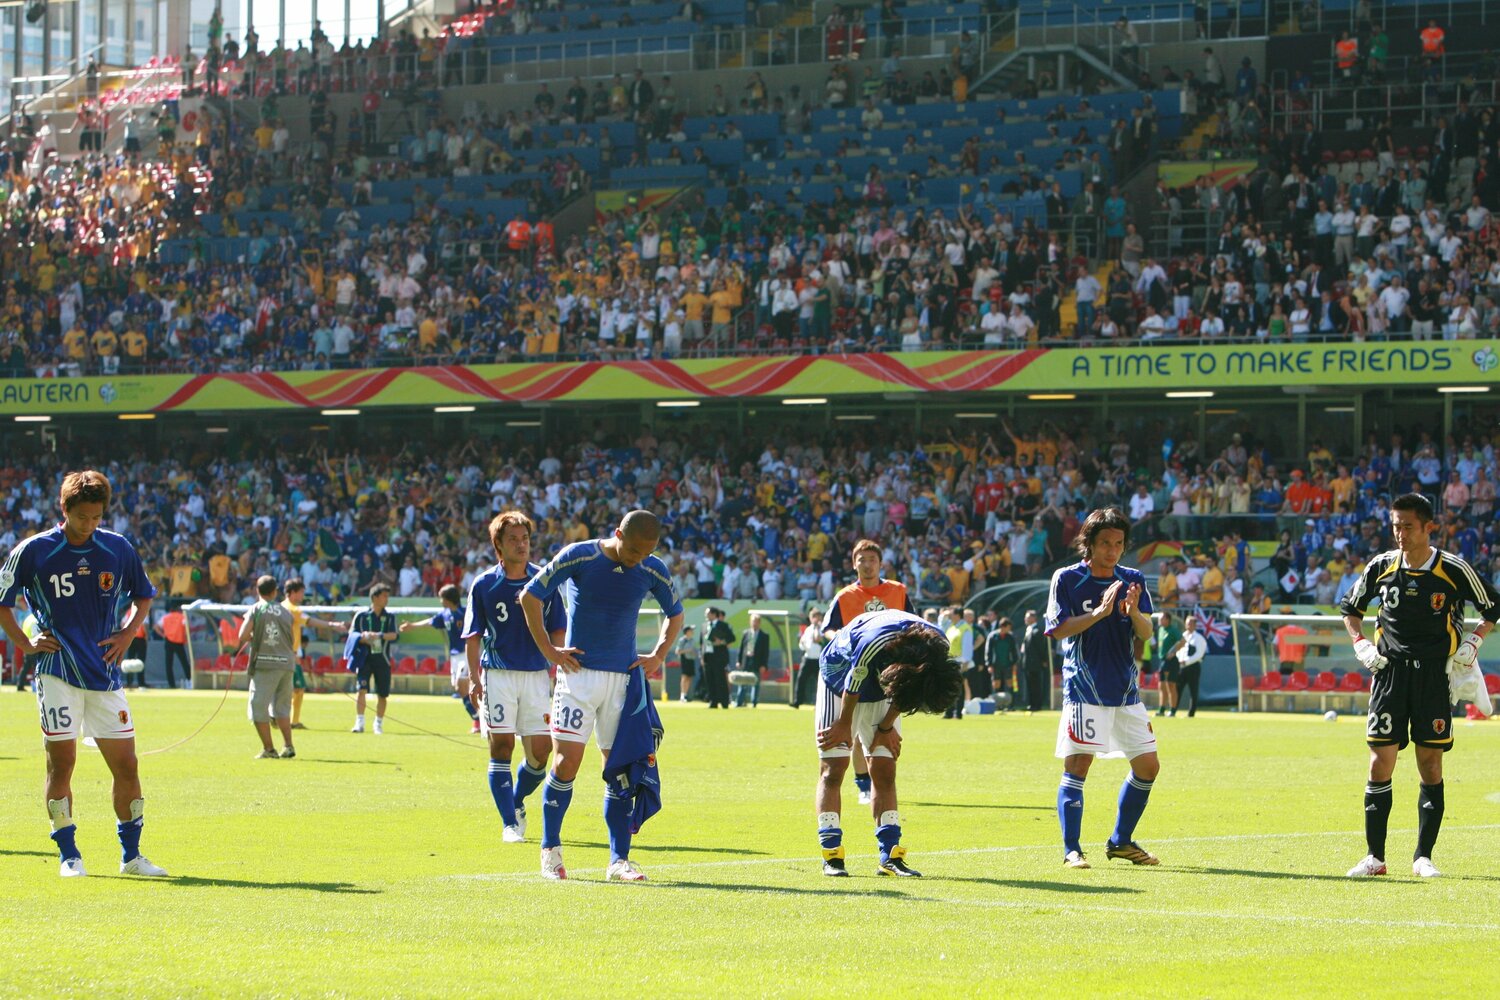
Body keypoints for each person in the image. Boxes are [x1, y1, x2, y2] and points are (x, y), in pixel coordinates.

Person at [0, 470, 167, 878]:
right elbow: (2, 600)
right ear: (65, 510)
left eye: (96, 517)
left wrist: (128, 633)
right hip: (57, 673)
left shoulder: (117, 548)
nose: (89, 525)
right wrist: (24, 644)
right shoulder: (34, 550)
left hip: (106, 675)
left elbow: (144, 595)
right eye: (82, 518)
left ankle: (132, 856)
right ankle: (69, 854)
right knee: (62, 765)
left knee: (126, 765)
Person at [1341, 493, 1499, 879]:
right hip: (1389, 674)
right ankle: (1374, 857)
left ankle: (1423, 856)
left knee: (1430, 762)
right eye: (1395, 525)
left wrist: (1473, 642)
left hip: (1433, 676)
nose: (1400, 533)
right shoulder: (1380, 566)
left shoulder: (1453, 568)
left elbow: (1492, 607)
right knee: (1380, 761)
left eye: (1407, 526)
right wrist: (1360, 643)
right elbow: (1351, 608)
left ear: (1430, 527)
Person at [520, 509, 684, 882]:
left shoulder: (652, 568)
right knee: (566, 766)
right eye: (633, 551)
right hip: (577, 678)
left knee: (622, 773)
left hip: (623, 683)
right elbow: (531, 596)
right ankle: (551, 851)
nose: (637, 559)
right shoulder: (580, 555)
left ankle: (618, 861)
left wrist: (659, 654)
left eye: (645, 553)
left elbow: (675, 613)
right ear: (617, 534)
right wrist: (550, 651)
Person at [1045, 506, 1161, 869]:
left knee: (1148, 766)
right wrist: (1098, 613)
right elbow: (1058, 629)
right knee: (1078, 766)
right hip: (1085, 689)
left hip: (1126, 691)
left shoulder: (1132, 578)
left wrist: (1134, 612)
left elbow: (1146, 633)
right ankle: (1071, 850)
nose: (1112, 551)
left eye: (1118, 543)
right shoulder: (1066, 578)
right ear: (1089, 545)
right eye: (1105, 543)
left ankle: (1121, 841)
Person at [814, 608, 965, 877]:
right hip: (840, 678)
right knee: (833, 768)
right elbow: (854, 680)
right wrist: (844, 724)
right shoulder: (874, 641)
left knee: (885, 769)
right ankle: (832, 855)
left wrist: (886, 726)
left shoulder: (938, 648)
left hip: (888, 682)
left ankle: (890, 856)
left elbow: (909, 691)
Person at [464, 511, 566, 843]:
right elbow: (473, 634)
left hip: (537, 675)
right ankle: (509, 823)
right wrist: (474, 678)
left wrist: (559, 661)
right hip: (498, 674)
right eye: (513, 539)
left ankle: (516, 800)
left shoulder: (544, 580)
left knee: (540, 753)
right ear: (498, 544)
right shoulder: (484, 584)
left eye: (525, 539)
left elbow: (558, 627)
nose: (521, 545)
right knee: (503, 746)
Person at [825, 539, 915, 805]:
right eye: (861, 559)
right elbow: (829, 629)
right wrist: (845, 640)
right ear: (854, 564)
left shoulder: (898, 591)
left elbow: (913, 624)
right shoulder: (844, 596)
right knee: (849, 729)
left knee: (882, 729)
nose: (867, 564)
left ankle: (880, 782)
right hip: (855, 671)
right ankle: (862, 783)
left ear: (880, 563)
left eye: (872, 559)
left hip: (888, 673)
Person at [234, 575, 298, 759]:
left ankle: (269, 749)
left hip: (265, 663)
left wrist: (255, 637)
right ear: (275, 591)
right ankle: (288, 745)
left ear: (257, 591)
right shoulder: (286, 612)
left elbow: (242, 635)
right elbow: (291, 639)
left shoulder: (257, 609)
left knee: (258, 707)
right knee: (282, 708)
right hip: (286, 664)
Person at [400, 583, 478, 733]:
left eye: (441, 597)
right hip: (454, 655)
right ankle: (477, 718)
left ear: (449, 599)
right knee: (458, 688)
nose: (440, 600)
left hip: (466, 653)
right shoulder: (445, 614)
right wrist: (412, 626)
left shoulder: (464, 613)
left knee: (462, 684)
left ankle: (479, 719)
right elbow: (430, 622)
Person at [281, 577, 345, 730]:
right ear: (293, 593)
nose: (303, 595)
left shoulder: (281, 606)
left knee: (294, 689)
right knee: (293, 689)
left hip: (285, 653)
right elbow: (309, 622)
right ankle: (289, 720)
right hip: (290, 655)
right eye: (301, 592)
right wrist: (332, 625)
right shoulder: (292, 609)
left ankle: (288, 720)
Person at [348, 584, 398, 734]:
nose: (386, 599)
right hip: (364, 658)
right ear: (375, 597)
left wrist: (379, 635)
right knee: (361, 689)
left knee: (382, 694)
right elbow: (352, 634)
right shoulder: (361, 616)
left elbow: (394, 635)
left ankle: (378, 724)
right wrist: (363, 638)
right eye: (384, 596)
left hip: (382, 659)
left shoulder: (390, 617)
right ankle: (359, 722)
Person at [1174, 615, 1208, 718]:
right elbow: (1178, 649)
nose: (1188, 625)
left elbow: (1199, 654)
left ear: (1195, 625)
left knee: (1193, 690)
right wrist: (1180, 659)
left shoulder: (1199, 638)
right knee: (1177, 689)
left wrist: (1187, 661)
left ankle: (1191, 713)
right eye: (1187, 623)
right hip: (1182, 667)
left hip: (1193, 667)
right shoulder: (1183, 636)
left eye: (1191, 623)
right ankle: (1173, 710)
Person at [734, 613, 770, 707]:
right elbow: (741, 648)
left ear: (759, 623)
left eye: (756, 622)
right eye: (753, 621)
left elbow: (765, 652)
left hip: (757, 662)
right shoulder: (746, 633)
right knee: (742, 682)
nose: (754, 623)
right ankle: (739, 702)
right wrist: (739, 661)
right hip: (746, 661)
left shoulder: (764, 636)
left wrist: (764, 665)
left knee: (756, 683)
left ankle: (754, 703)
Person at [1018, 608, 1051, 711]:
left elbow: (1041, 648)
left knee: (1036, 685)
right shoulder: (1028, 630)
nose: (1025, 619)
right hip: (1027, 663)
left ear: (1033, 618)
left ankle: (1037, 704)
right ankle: (1031, 703)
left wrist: (1044, 660)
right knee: (1030, 685)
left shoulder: (1037, 631)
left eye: (1027, 617)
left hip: (1035, 663)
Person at [793, 608, 826, 708]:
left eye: (817, 617)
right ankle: (797, 701)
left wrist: (817, 627)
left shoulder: (823, 629)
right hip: (807, 658)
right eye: (813, 617)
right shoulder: (808, 629)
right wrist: (802, 644)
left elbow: (818, 639)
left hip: (818, 660)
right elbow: (802, 643)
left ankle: (819, 704)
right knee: (801, 679)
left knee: (819, 683)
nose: (815, 619)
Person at [154, 603, 192, 689]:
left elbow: (156, 626)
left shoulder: (166, 617)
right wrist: (186, 640)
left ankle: (172, 684)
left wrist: (163, 634)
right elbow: (187, 630)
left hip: (168, 641)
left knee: (169, 664)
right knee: (185, 663)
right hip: (179, 642)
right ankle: (190, 680)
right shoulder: (182, 617)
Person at [702, 606, 733, 709]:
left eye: (708, 613)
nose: (706, 616)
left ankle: (724, 702)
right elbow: (702, 642)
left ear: (714, 614)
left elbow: (731, 638)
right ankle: (713, 701)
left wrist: (721, 642)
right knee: (709, 679)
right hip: (708, 656)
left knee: (720, 680)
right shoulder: (704, 626)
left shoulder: (723, 625)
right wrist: (702, 656)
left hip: (719, 657)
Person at [1153, 611, 1182, 716]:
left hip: (1171, 661)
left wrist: (1173, 652)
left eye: (1162, 619)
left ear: (1168, 620)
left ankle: (1173, 710)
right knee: (1161, 685)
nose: (1160, 621)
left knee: (1171, 685)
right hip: (1162, 660)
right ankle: (1161, 709)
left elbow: (1182, 641)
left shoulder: (1173, 630)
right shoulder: (1160, 629)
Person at [985, 616, 1018, 703]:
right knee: (996, 684)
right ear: (1003, 626)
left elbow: (1014, 651)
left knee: (1010, 683)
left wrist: (1014, 663)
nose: (1009, 629)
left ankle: (1011, 704)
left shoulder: (1010, 637)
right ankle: (996, 704)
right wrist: (989, 664)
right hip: (996, 665)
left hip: (1008, 664)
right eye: (1008, 627)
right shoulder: (992, 636)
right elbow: (988, 651)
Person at [676, 624, 698, 702]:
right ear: (687, 631)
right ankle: (682, 695)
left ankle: (685, 694)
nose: (692, 632)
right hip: (684, 659)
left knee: (689, 677)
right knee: (684, 677)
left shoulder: (693, 640)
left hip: (691, 660)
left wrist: (694, 653)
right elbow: (678, 651)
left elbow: (694, 650)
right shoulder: (682, 640)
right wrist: (688, 650)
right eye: (691, 630)